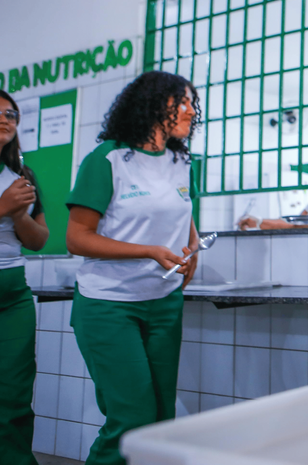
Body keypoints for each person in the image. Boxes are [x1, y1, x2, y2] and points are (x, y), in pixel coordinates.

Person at [66, 72, 201, 465]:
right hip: (109, 305)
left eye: (192, 102)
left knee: (161, 421)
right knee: (131, 418)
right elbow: (77, 238)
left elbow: (184, 213)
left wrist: (193, 247)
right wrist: (149, 251)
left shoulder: (181, 162)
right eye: (182, 101)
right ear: (153, 105)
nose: (191, 110)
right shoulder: (108, 158)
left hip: (163, 304)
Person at [0, 90, 48, 465]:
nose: (5, 118)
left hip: (13, 296)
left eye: (11, 113)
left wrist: (18, 216)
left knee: (15, 395)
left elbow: (38, 240)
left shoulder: (22, 176)